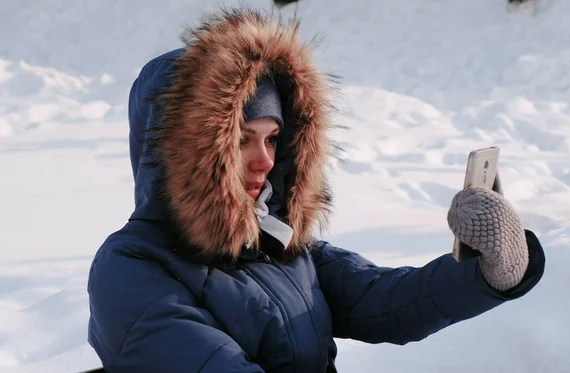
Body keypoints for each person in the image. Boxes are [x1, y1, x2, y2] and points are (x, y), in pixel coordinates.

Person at [87, 7, 545, 373]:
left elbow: (383, 299)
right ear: (184, 154)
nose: (264, 161)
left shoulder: (274, 243)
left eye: (271, 139)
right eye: (241, 140)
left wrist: (492, 269)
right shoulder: (131, 270)